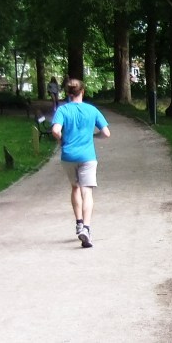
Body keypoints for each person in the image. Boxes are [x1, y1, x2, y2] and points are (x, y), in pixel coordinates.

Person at [51, 79, 110, 248]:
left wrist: (62, 140)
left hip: (68, 156)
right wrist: (94, 136)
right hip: (87, 156)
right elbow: (106, 133)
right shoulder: (92, 110)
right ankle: (86, 228)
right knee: (87, 192)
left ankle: (78, 222)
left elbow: (55, 130)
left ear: (68, 93)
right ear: (82, 91)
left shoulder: (62, 110)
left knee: (75, 187)